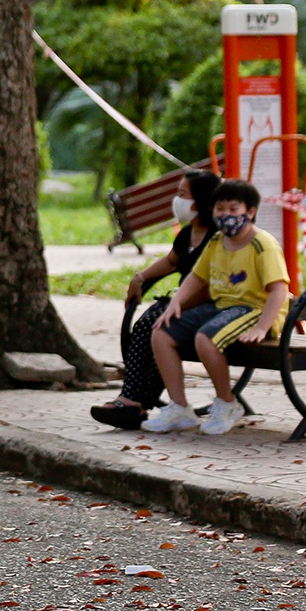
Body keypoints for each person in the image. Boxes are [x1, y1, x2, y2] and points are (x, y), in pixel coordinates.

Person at [143, 177, 293, 436]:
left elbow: (279, 290)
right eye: (220, 209)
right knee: (161, 332)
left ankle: (227, 404)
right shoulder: (215, 242)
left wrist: (263, 326)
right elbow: (195, 278)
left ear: (250, 211)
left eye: (233, 209)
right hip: (223, 307)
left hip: (255, 308)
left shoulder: (263, 243)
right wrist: (174, 304)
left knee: (206, 339)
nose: (226, 216)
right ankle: (179, 408)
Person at [90, 170, 219, 430]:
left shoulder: (217, 236)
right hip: (183, 302)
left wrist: (178, 304)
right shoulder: (187, 234)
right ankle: (133, 401)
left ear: (201, 201)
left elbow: (211, 283)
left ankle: (135, 402)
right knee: (143, 327)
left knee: (154, 325)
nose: (177, 201)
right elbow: (172, 261)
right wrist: (141, 277)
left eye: (183, 195)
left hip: (207, 305)